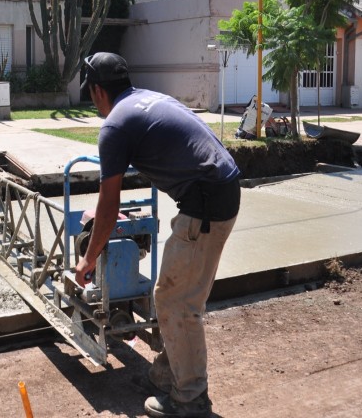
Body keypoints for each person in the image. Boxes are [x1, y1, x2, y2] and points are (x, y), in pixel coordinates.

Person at [72, 53, 240, 418]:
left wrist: (88, 258)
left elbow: (108, 202)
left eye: (90, 94)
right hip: (218, 191)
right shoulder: (146, 98)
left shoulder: (115, 125)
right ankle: (168, 375)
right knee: (175, 294)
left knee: (177, 302)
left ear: (98, 91)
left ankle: (191, 399)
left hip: (206, 203)